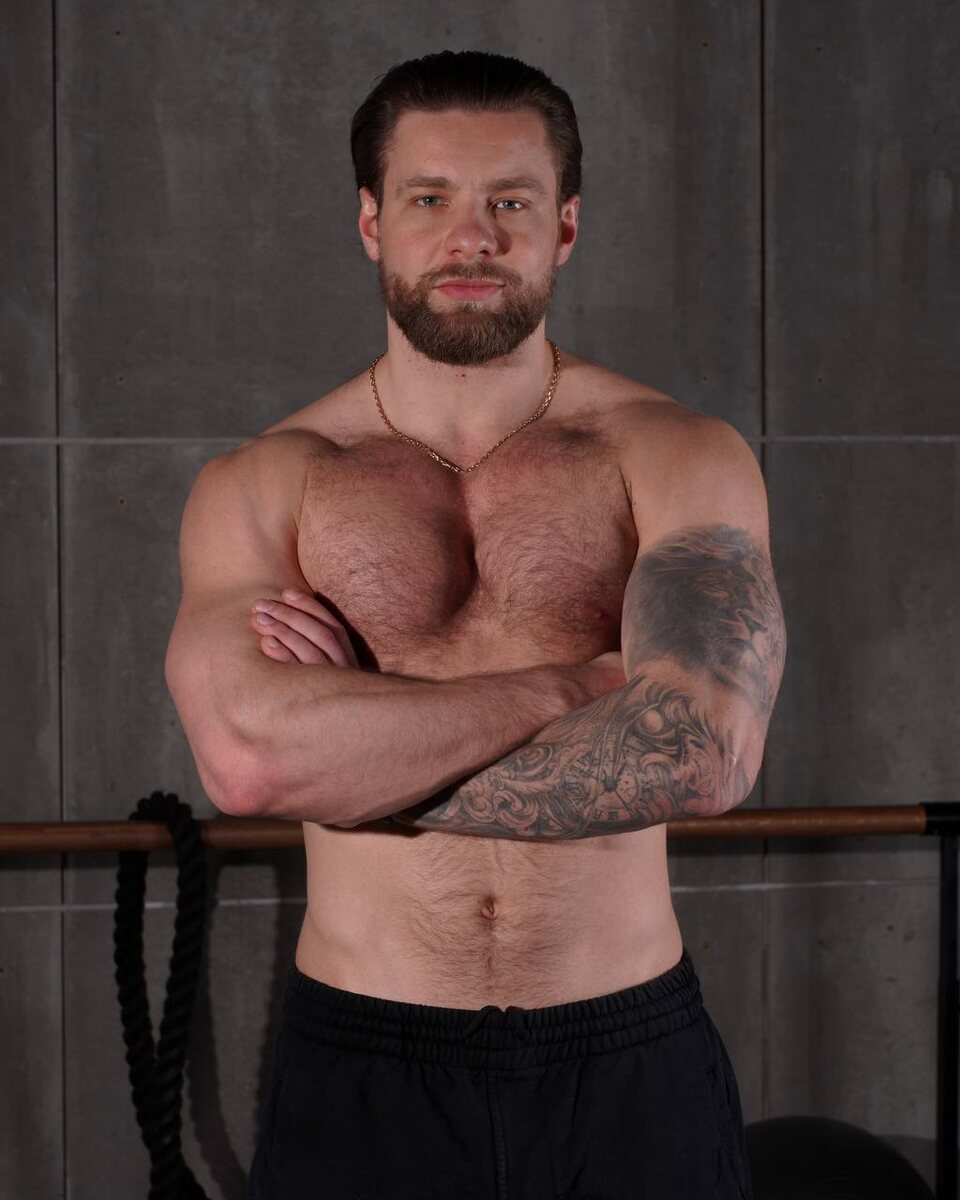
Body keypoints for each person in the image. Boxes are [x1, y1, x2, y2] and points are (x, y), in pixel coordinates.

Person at [165, 48, 785, 1200]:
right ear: (371, 223)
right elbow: (250, 762)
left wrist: (355, 759)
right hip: (366, 1060)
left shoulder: (675, 453)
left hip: (623, 1052)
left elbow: (702, 753)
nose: (471, 237)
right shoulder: (266, 481)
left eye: (509, 201)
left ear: (565, 226)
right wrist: (573, 686)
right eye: (429, 199)